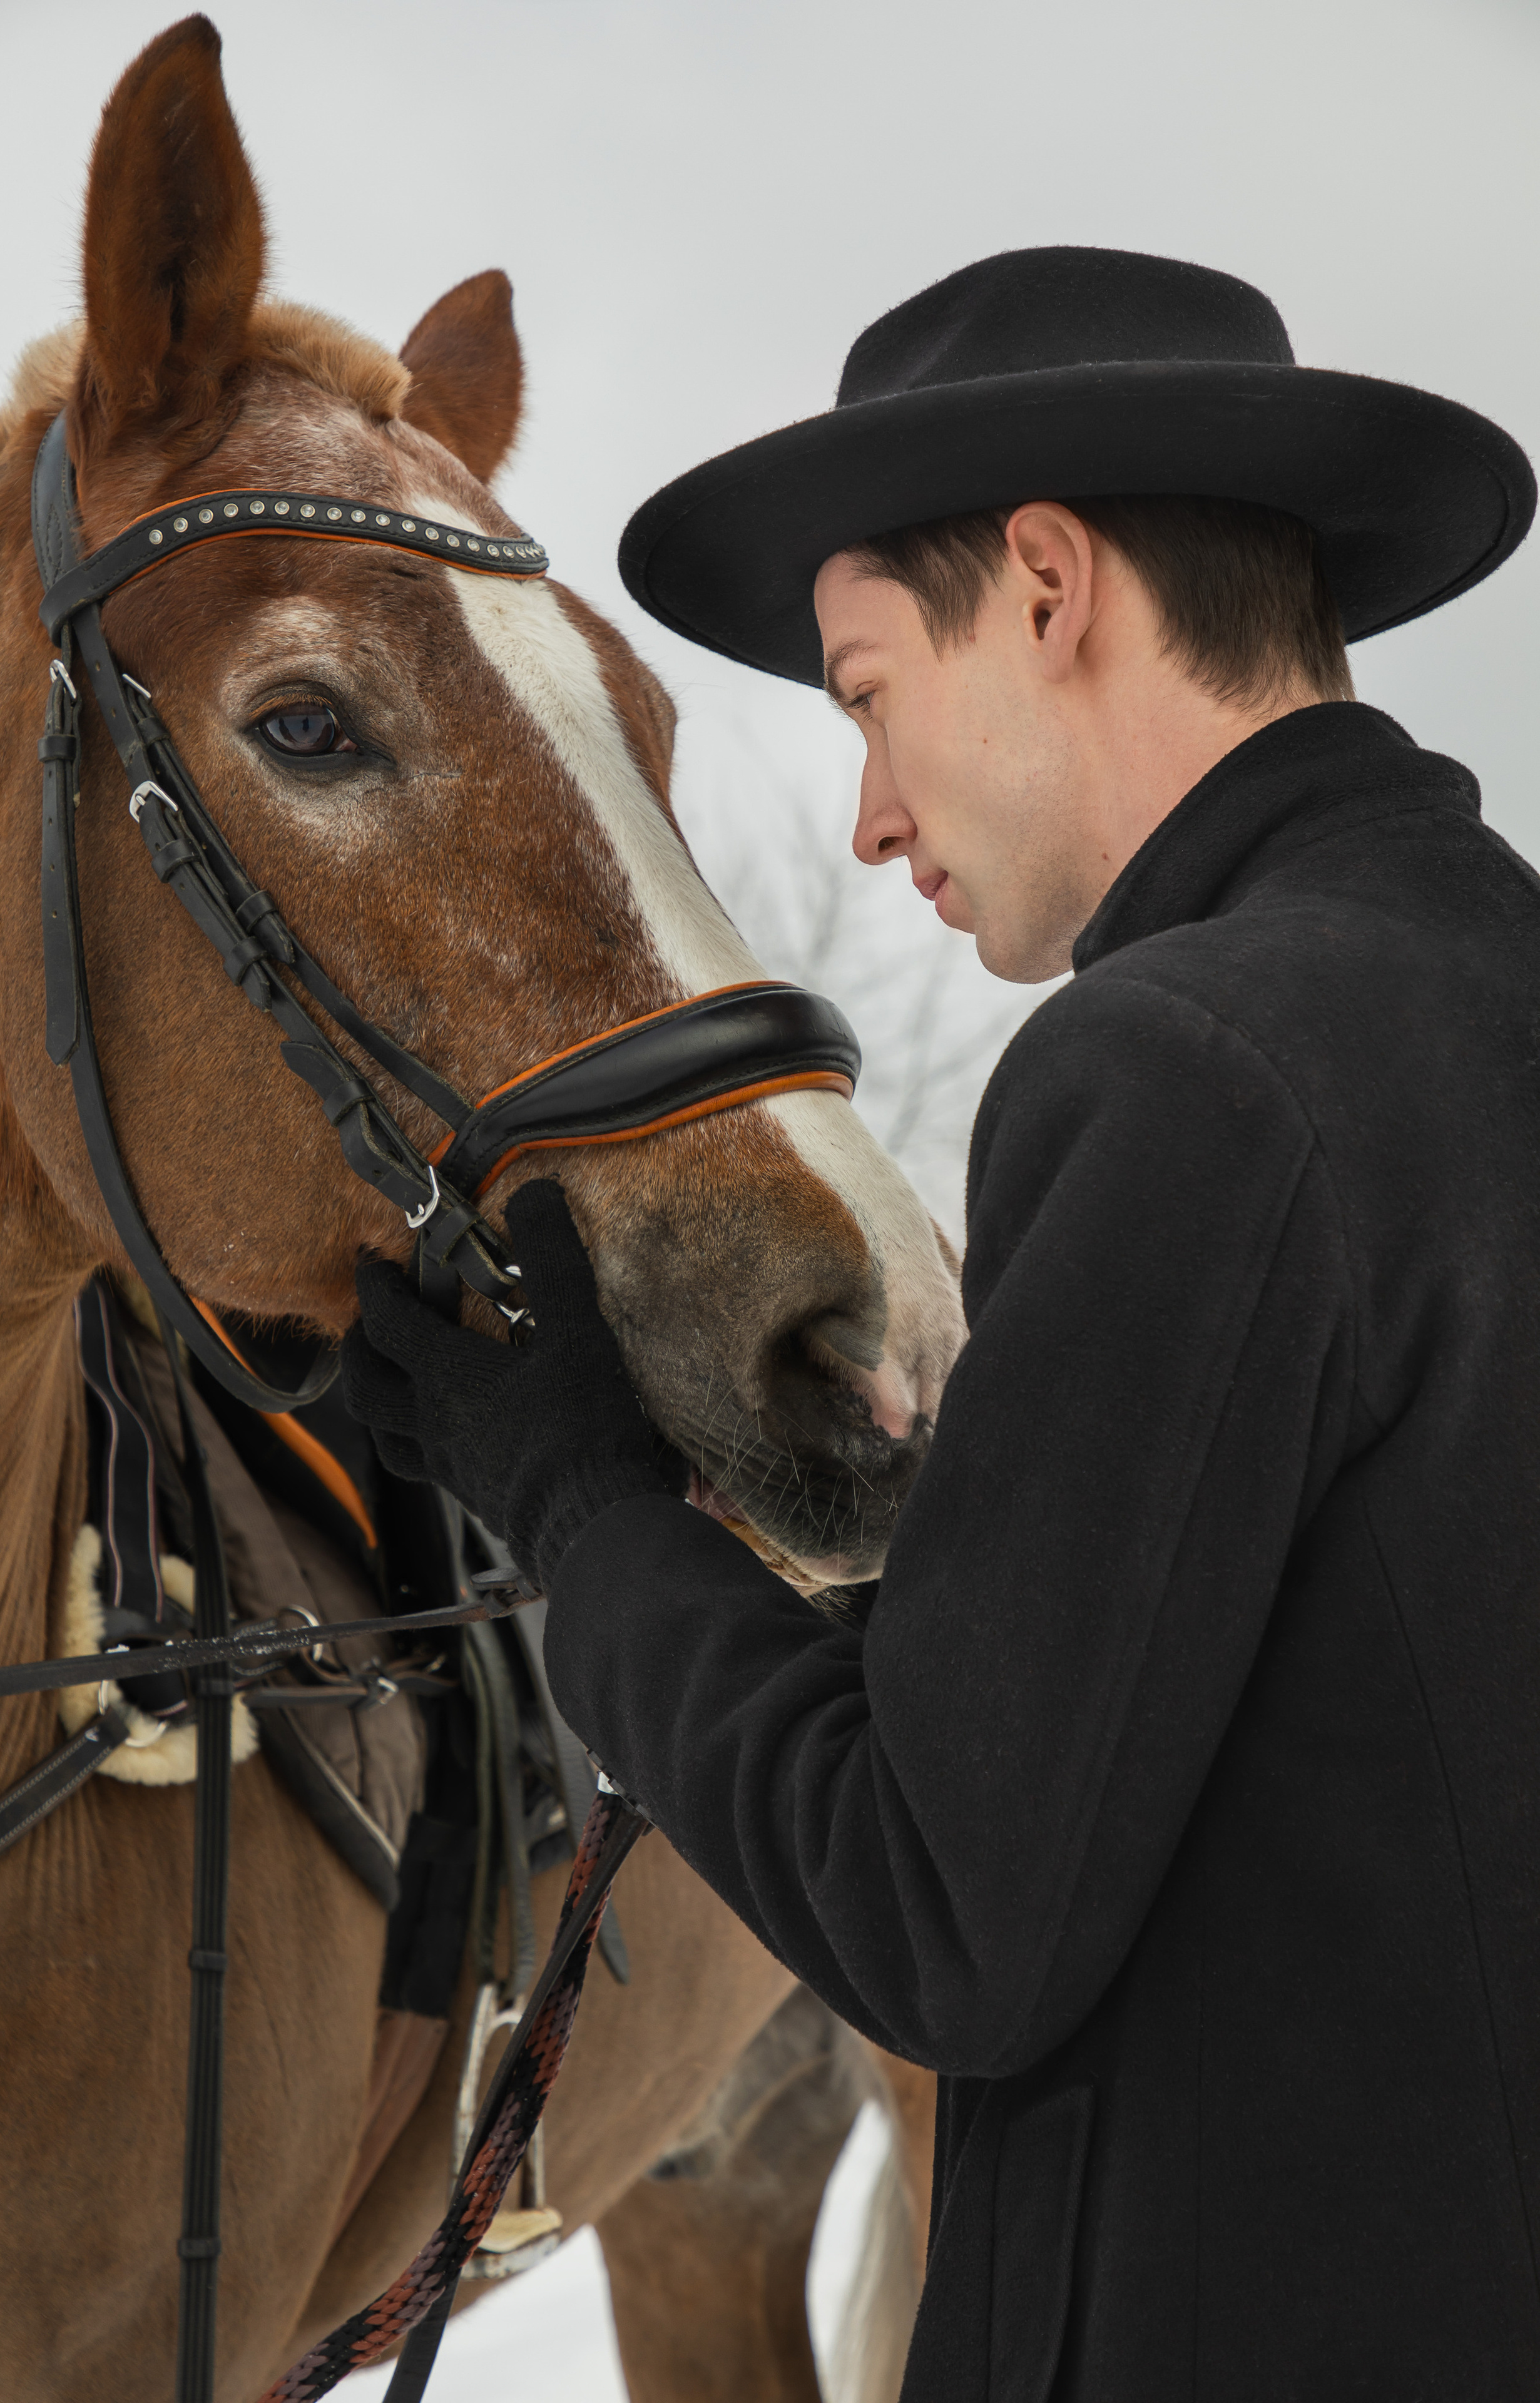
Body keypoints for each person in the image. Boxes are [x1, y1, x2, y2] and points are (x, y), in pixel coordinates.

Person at [340, 249, 1540, 2398]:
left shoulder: (1192, 1070)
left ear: (1055, 586)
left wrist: (568, 1482)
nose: (876, 812)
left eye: (870, 688)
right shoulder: (1479, 1008)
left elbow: (943, 1906)